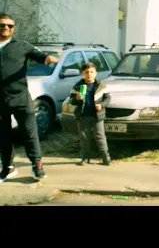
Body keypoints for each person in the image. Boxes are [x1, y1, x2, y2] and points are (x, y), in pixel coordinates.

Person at [0, 13, 59, 182]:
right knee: (3, 136)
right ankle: (7, 167)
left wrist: (47, 58)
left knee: (29, 133)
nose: (6, 28)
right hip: (0, 101)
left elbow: (39, 55)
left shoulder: (22, 46)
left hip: (20, 98)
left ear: (14, 28)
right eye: (2, 25)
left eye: (10, 26)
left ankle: (37, 166)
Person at [68, 62, 112, 166]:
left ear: (96, 73)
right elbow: (71, 100)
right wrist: (76, 98)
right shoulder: (78, 86)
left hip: (97, 116)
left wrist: (101, 105)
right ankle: (85, 157)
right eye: (86, 72)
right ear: (82, 74)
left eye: (92, 72)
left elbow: (107, 98)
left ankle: (106, 157)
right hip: (83, 115)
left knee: (100, 136)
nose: (89, 74)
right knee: (84, 138)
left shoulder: (101, 86)